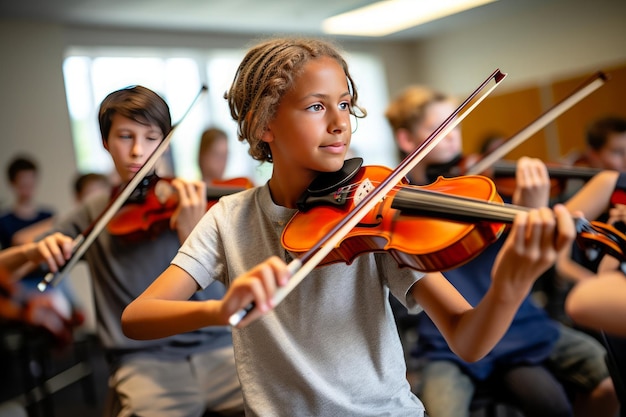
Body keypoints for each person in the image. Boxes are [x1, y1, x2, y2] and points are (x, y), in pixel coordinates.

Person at [120, 36, 576, 417]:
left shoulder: (372, 213)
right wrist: (222, 312)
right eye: (317, 107)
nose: (341, 123)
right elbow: (137, 318)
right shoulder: (228, 219)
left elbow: (468, 338)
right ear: (265, 125)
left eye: (344, 103)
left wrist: (510, 284)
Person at [384, 84, 618, 417]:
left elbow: (527, 254)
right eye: (439, 128)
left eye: (456, 126)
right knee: (440, 411)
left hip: (519, 322)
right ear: (407, 140)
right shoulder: (398, 212)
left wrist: (529, 210)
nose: (453, 137)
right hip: (446, 341)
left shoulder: (484, 190)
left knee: (607, 378)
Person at [39, 85, 244, 417]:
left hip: (218, 346)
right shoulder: (96, 210)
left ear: (166, 142)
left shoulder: (192, 200)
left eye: (152, 138)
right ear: (106, 142)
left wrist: (190, 236)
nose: (138, 151)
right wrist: (38, 249)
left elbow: (228, 286)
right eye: (125, 136)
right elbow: (13, 265)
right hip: (142, 358)